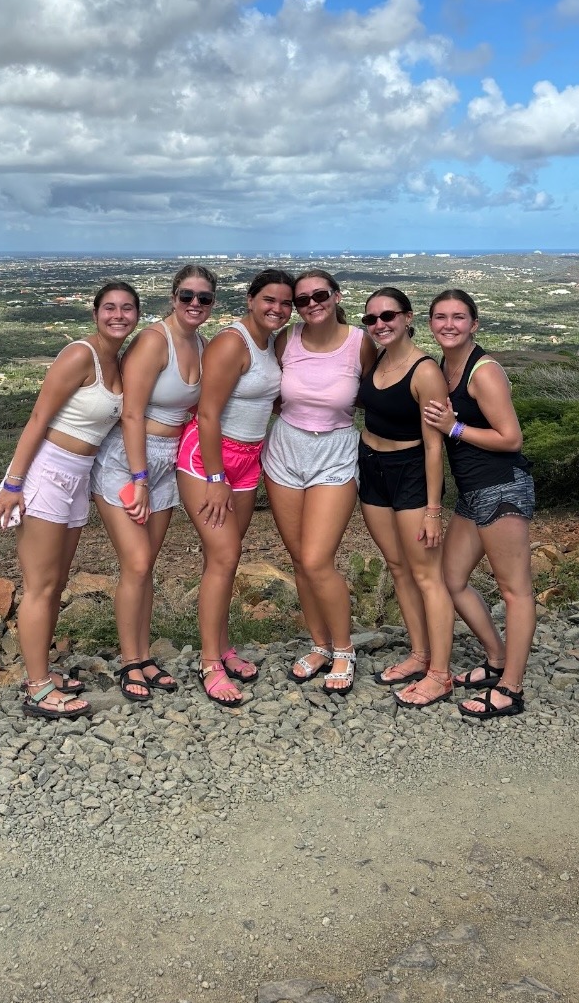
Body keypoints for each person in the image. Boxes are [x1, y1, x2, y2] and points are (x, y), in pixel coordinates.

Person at [0, 282, 141, 720]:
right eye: (109, 308)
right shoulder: (81, 355)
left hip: (78, 476)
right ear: (95, 314)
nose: (118, 315)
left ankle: (41, 673)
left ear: (137, 315)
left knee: (56, 583)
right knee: (40, 585)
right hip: (47, 472)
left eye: (127, 308)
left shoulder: (118, 361)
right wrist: (14, 482)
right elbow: (39, 417)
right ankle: (37, 688)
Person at [90, 265, 216, 702]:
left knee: (146, 567)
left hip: (168, 460)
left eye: (203, 298)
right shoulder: (152, 341)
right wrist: (139, 477)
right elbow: (131, 413)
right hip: (129, 460)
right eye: (187, 296)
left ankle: (143, 657)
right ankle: (129, 661)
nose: (195, 304)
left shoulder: (201, 344)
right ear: (173, 297)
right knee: (138, 563)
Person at [177, 269, 295, 707]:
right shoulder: (233, 342)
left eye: (285, 303)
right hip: (209, 458)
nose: (277, 309)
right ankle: (209, 663)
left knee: (224, 557)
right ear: (250, 299)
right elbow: (208, 413)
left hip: (249, 457)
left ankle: (223, 647)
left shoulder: (269, 344)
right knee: (225, 555)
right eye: (269, 300)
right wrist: (215, 478)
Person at [423, 288, 536, 719]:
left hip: (503, 487)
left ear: (474, 324)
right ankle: (497, 658)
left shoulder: (482, 372)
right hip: (473, 492)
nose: (449, 324)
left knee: (514, 590)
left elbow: (511, 438)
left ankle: (511, 688)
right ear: (430, 323)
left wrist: (454, 428)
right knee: (451, 578)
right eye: (440, 317)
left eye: (458, 317)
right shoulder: (442, 367)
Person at [263, 270, 377, 694]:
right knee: (299, 560)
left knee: (316, 560)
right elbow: (271, 393)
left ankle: (344, 648)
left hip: (334, 453)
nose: (312, 303)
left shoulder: (359, 343)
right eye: (302, 299)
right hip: (286, 450)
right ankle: (319, 644)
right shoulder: (286, 340)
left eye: (320, 295)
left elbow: (377, 392)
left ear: (336, 296)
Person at [356, 288, 452, 708]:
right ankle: (419, 653)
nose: (380, 324)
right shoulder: (377, 358)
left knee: (427, 575)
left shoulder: (424, 371)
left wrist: (433, 510)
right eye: (371, 318)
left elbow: (434, 446)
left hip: (410, 471)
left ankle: (440, 674)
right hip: (372, 467)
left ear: (408, 317)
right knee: (397, 566)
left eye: (388, 316)